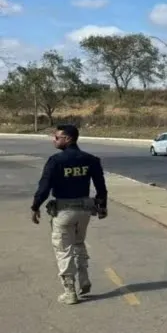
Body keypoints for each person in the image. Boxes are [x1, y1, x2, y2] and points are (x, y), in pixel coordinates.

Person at [31, 124, 108, 305]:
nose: (54, 140)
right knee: (79, 243)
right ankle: (84, 278)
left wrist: (35, 206)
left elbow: (44, 187)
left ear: (67, 139)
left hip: (64, 211)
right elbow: (101, 187)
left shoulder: (56, 161)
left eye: (57, 137)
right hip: (85, 211)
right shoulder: (90, 159)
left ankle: (69, 292)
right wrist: (102, 206)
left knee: (63, 250)